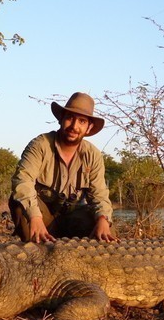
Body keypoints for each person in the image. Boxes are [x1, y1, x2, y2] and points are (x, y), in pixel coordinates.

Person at [9, 92, 116, 243]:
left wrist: (103, 219)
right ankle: (36, 251)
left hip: (74, 217)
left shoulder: (93, 154)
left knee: (106, 230)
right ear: (61, 119)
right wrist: (35, 216)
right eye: (70, 118)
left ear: (89, 127)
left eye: (82, 121)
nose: (74, 126)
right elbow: (22, 181)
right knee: (18, 204)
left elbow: (99, 195)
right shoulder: (40, 145)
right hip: (42, 214)